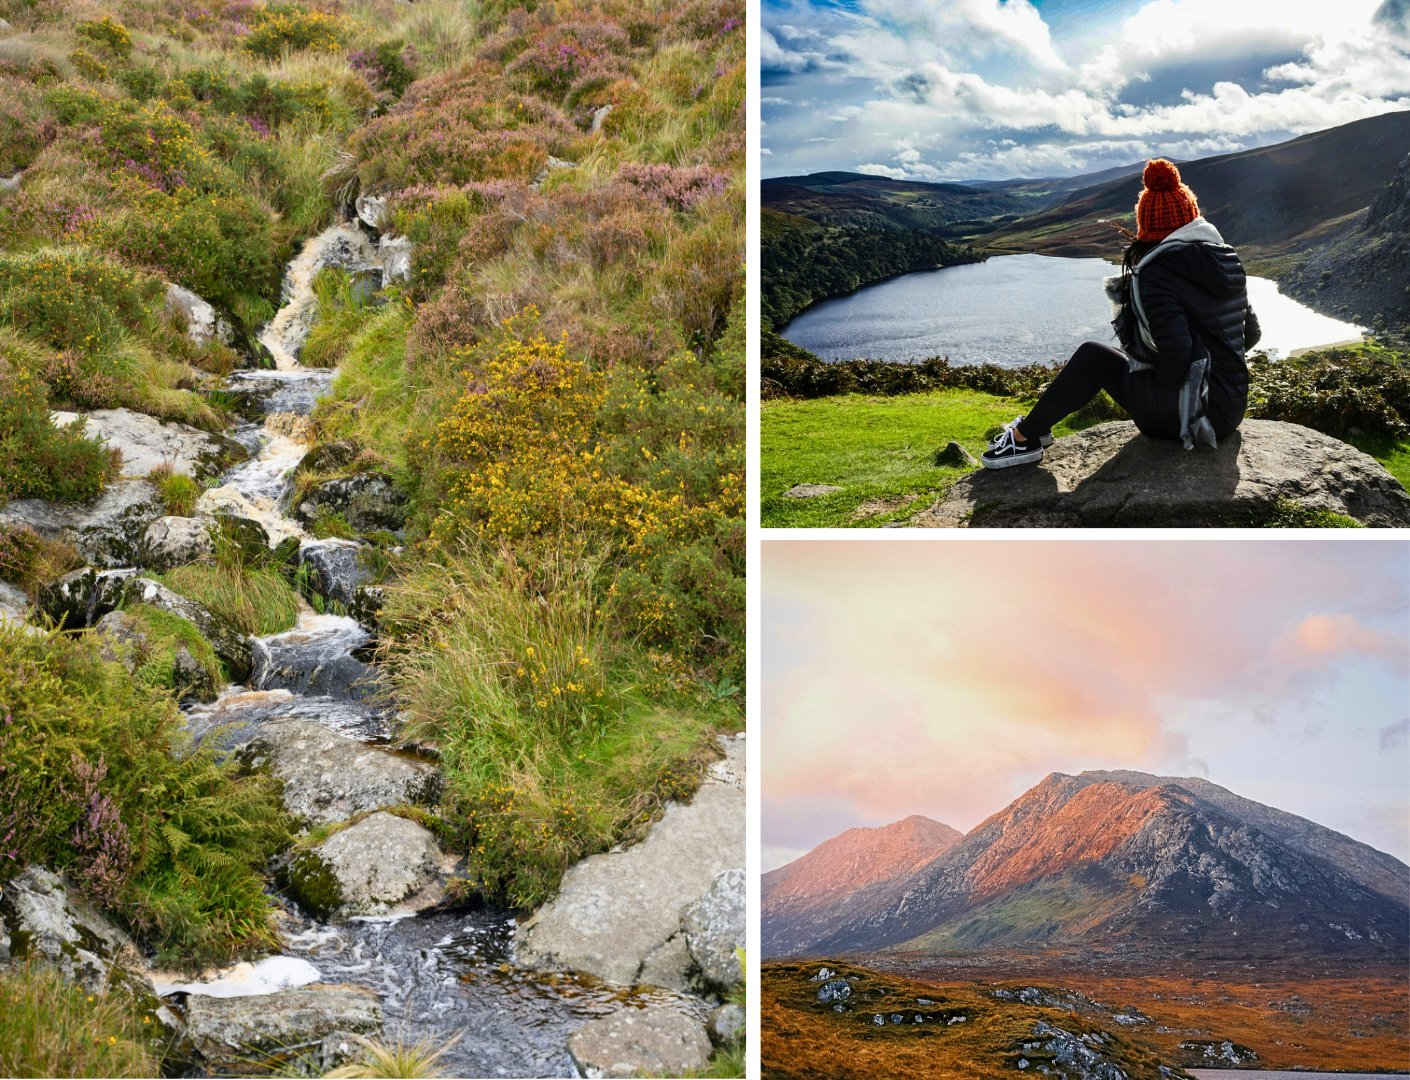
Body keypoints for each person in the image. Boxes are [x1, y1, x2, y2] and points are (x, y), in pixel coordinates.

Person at [981, 158, 1261, 469]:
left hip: (1190, 417)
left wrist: (1161, 377)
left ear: (1148, 225)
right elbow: (1250, 335)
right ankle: (1037, 428)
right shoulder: (1227, 258)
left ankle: (1023, 439)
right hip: (1232, 409)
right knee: (1110, 358)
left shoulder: (1158, 272)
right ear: (1192, 216)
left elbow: (1179, 355)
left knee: (1093, 357)